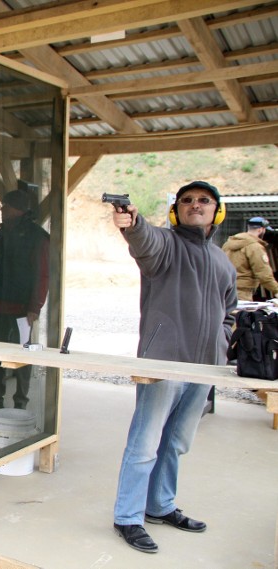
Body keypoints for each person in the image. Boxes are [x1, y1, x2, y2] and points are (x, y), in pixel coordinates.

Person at [109, 180, 236, 554]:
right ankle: (128, 517)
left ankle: (160, 507)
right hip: (163, 363)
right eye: (187, 201)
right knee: (145, 444)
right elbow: (145, 240)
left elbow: (230, 311)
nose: (195, 205)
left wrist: (221, 346)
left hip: (205, 369)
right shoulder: (166, 245)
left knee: (177, 442)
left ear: (217, 210)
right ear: (175, 210)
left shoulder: (222, 260)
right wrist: (132, 222)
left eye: (204, 200)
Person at [0, 188, 49, 412]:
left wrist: (35, 307)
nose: (1, 210)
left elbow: (43, 274)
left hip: (22, 310)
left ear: (17, 209)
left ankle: (20, 402)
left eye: (4, 206)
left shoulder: (38, 237)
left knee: (23, 356)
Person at [221, 216, 278, 301]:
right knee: (241, 314)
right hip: (242, 293)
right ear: (261, 230)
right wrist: (276, 289)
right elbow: (263, 273)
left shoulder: (227, 244)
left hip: (224, 290)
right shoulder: (255, 247)